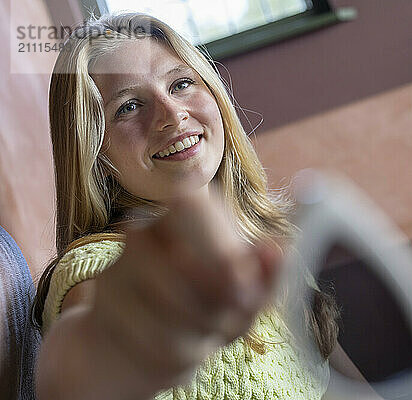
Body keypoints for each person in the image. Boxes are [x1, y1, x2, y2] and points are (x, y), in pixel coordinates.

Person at [32, 12, 348, 400]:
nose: (171, 113)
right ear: (95, 154)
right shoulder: (101, 266)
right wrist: (121, 342)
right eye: (129, 106)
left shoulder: (273, 234)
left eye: (181, 84)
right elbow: (83, 366)